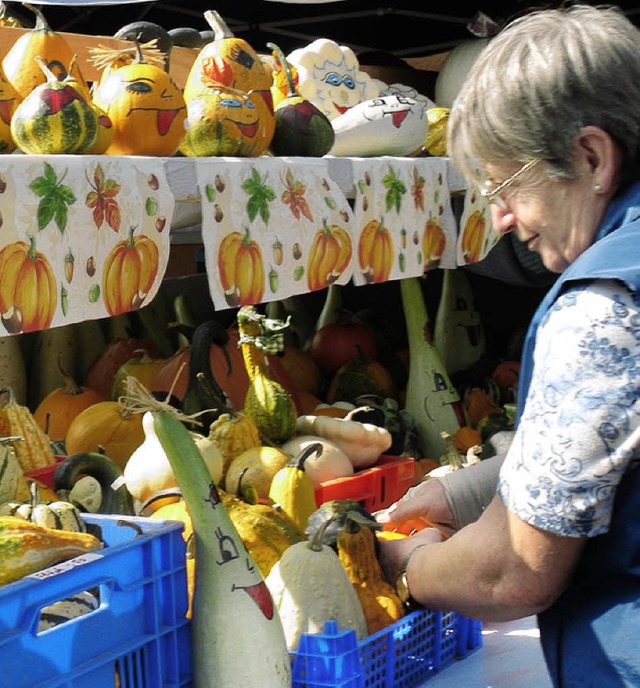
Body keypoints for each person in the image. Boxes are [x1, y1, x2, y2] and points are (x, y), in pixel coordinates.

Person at [376, 5, 640, 686]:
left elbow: (513, 571)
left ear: (591, 157)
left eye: (507, 185)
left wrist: (411, 566)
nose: (499, 218)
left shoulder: (602, 306)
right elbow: (614, 437)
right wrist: (463, 495)